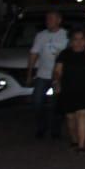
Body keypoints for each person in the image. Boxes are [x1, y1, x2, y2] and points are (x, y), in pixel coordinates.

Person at [54, 29, 85, 152]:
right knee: (70, 117)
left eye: (81, 39)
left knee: (83, 114)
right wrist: (56, 82)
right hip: (68, 89)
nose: (79, 42)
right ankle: (74, 140)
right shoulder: (65, 54)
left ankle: (81, 145)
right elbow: (58, 71)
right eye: (76, 39)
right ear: (71, 41)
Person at [28, 10, 68, 139]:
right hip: (42, 75)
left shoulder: (66, 35)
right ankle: (41, 126)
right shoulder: (40, 36)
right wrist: (29, 73)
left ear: (59, 20)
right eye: (47, 19)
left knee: (56, 104)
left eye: (51, 18)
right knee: (37, 102)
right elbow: (34, 54)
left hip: (60, 76)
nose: (48, 21)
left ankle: (56, 130)